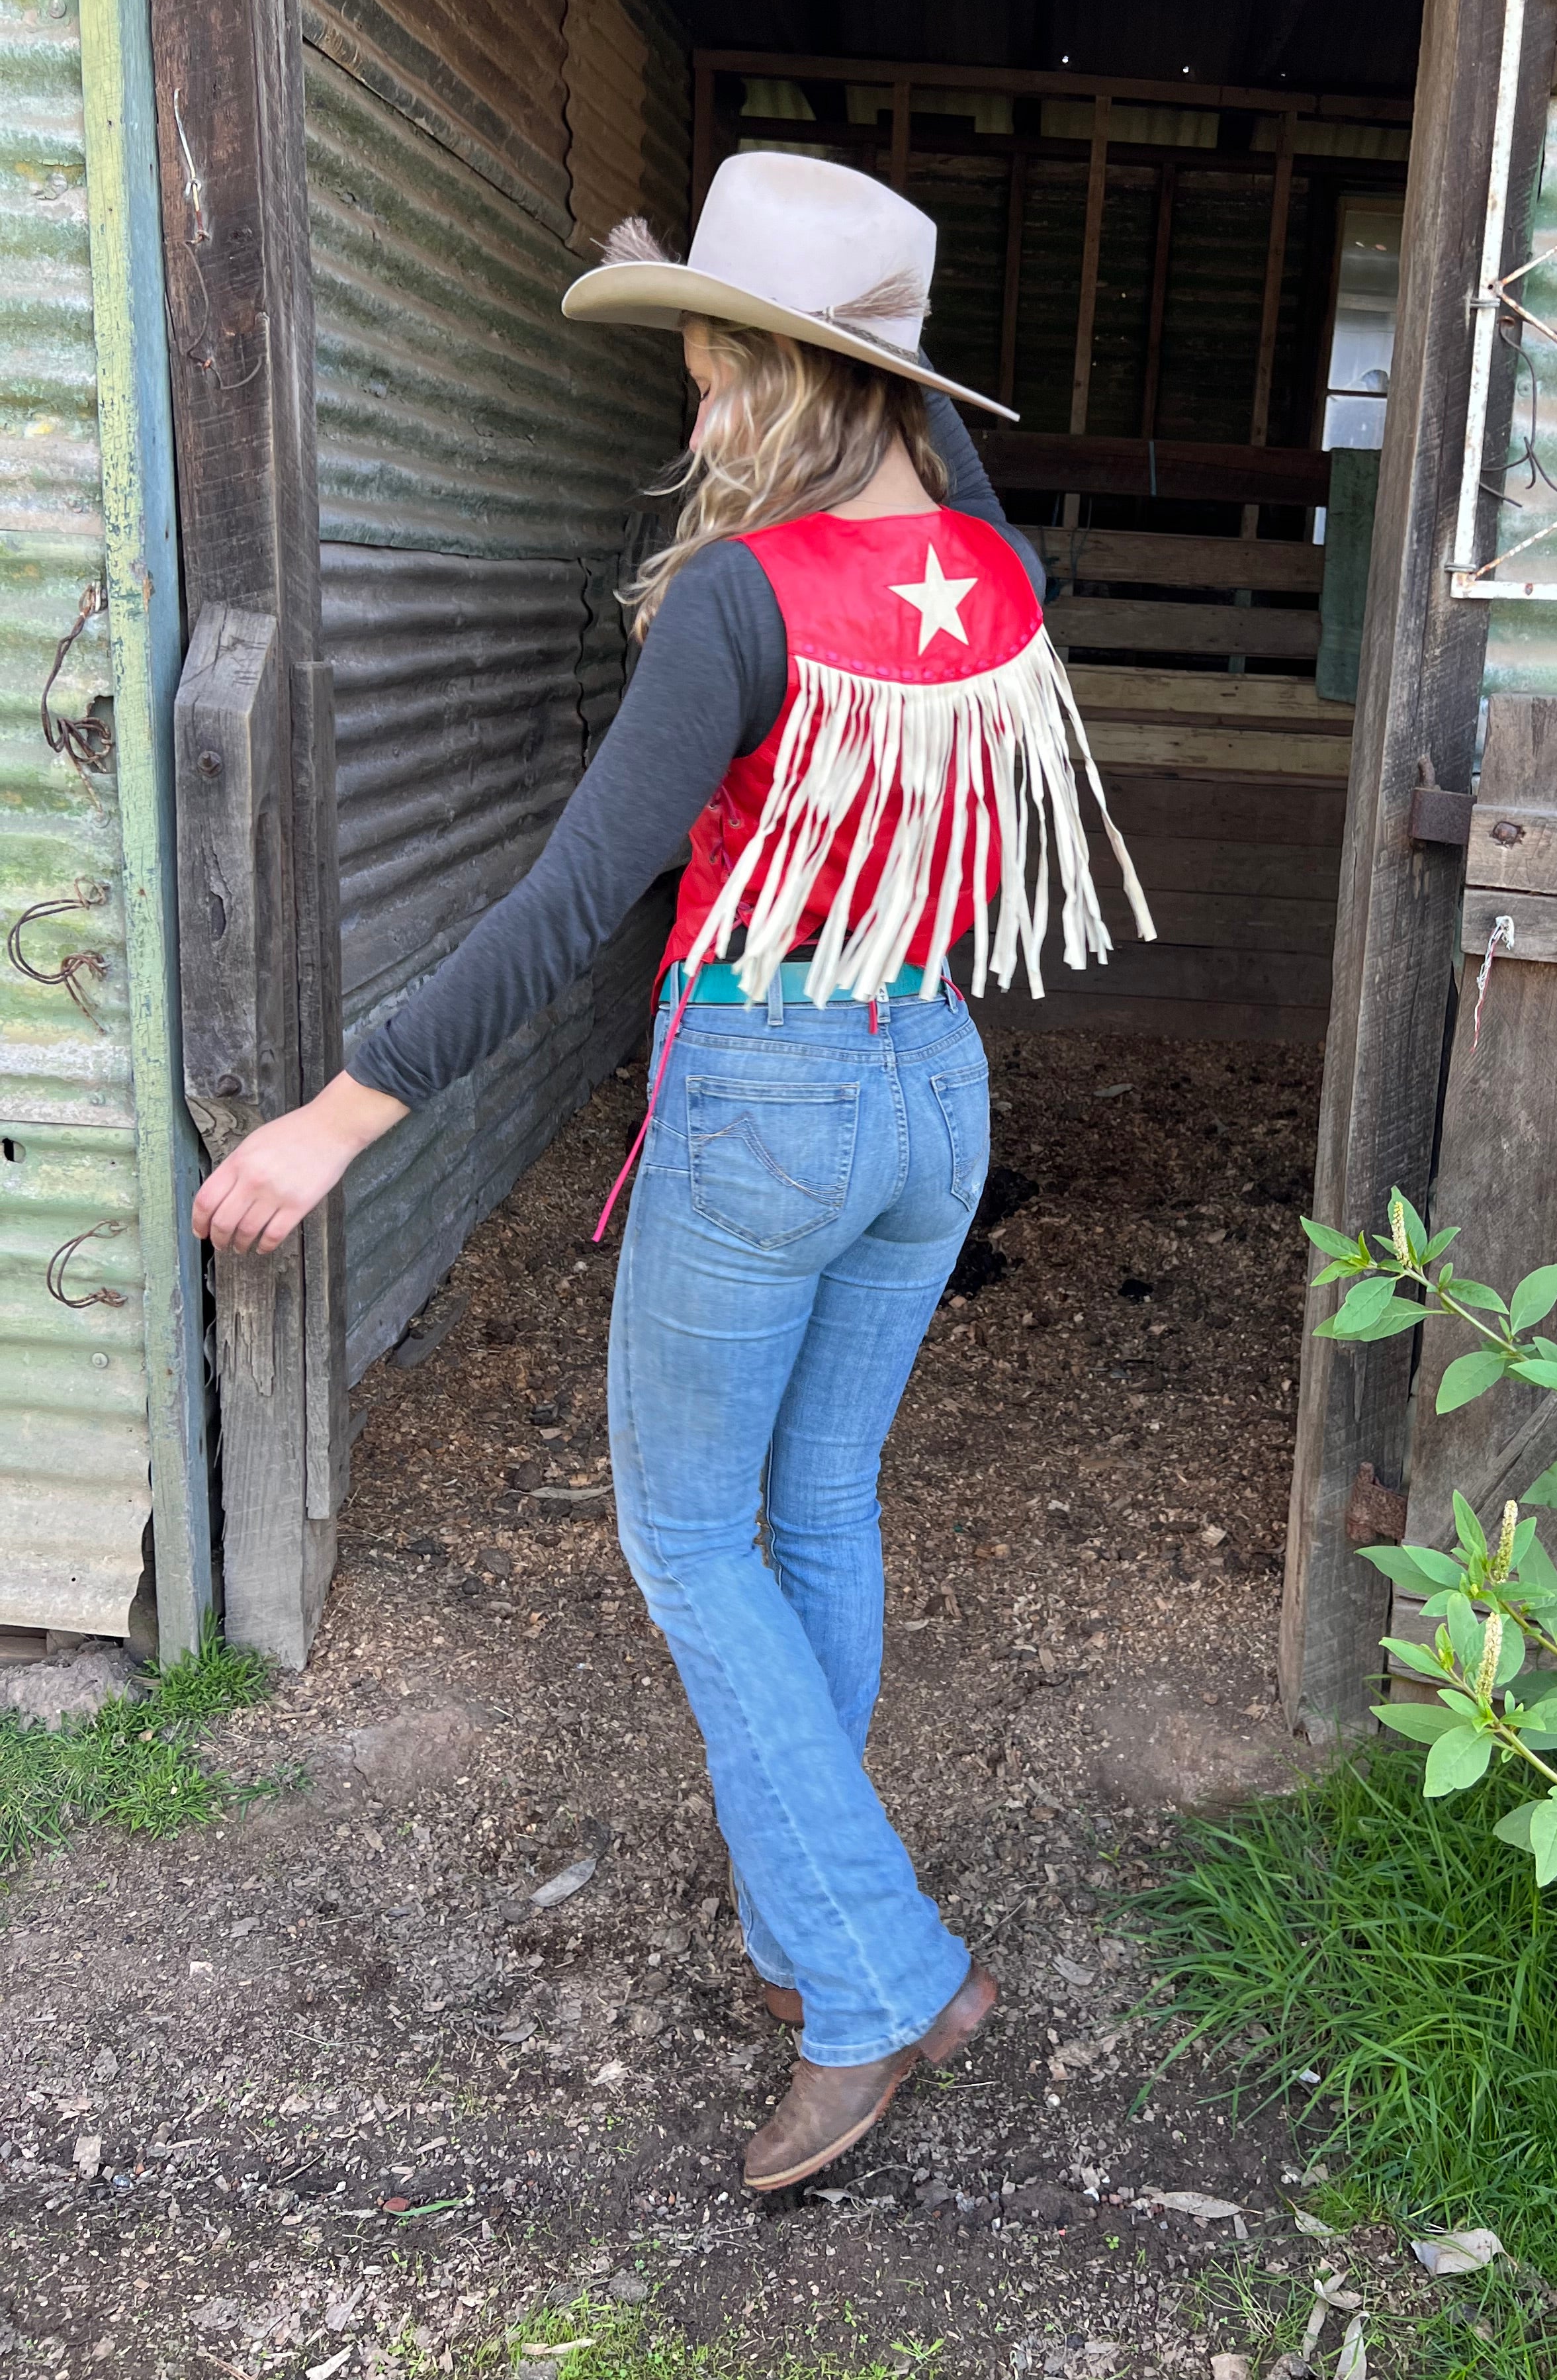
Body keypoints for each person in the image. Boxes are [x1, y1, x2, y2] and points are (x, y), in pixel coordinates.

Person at [193, 151, 1153, 2192]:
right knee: (813, 1504)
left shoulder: (739, 600)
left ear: (789, 392)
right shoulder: (999, 580)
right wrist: (725, 301)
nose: (698, 418)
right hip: (932, 1086)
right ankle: (826, 1944)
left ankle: (880, 1970)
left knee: (687, 1536)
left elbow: (564, 908)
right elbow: (944, 487)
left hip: (772, 1091)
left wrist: (334, 1116)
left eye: (712, 377)